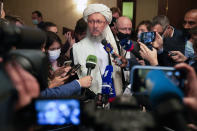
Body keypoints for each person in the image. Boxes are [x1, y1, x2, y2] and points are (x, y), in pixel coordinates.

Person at [72, 4, 123, 95]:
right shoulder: (77, 48)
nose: (95, 26)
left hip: (111, 94)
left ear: (106, 24)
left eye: (99, 22)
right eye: (91, 21)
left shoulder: (111, 45)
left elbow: (118, 69)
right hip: (90, 98)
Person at [40, 31, 92, 97]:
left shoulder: (49, 64)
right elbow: (42, 94)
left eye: (58, 48)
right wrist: (78, 83)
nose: (43, 50)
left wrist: (56, 74)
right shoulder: (37, 66)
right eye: (52, 49)